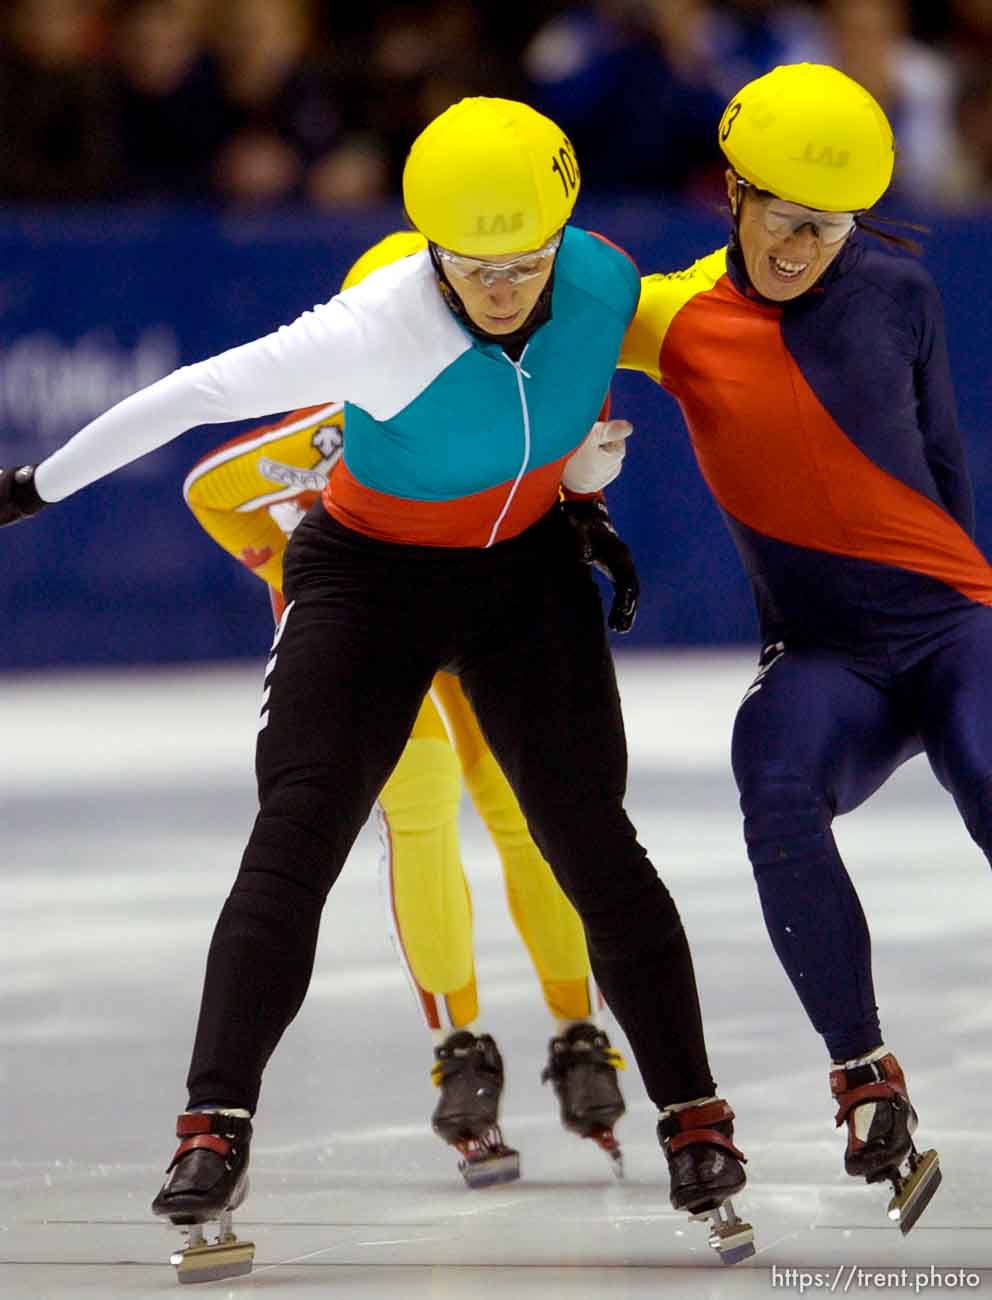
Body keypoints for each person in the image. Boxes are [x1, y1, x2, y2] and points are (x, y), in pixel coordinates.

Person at [0, 98, 753, 1280]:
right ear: (428, 249)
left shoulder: (602, 281)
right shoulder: (378, 321)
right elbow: (192, 394)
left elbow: (722, 316)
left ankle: (693, 1117)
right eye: (470, 267)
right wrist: (36, 485)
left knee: (592, 845)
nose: (500, 288)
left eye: (522, 265)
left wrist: (584, 499)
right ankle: (214, 1125)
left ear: (561, 239)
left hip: (521, 580)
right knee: (297, 835)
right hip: (368, 583)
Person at [182, 230, 630, 1190]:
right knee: (420, 812)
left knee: (524, 819)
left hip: (486, 629)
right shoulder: (324, 427)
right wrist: (292, 574)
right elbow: (213, 487)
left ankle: (575, 1024)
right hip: (380, 639)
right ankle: (464, 1042)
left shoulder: (513, 384)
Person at [619, 61, 979, 1233]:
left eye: (825, 227)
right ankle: (864, 1079)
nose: (801, 246)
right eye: (781, 216)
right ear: (732, 191)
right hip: (829, 658)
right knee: (769, 780)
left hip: (950, 628)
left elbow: (943, 466)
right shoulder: (668, 317)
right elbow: (520, 319)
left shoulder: (900, 292)